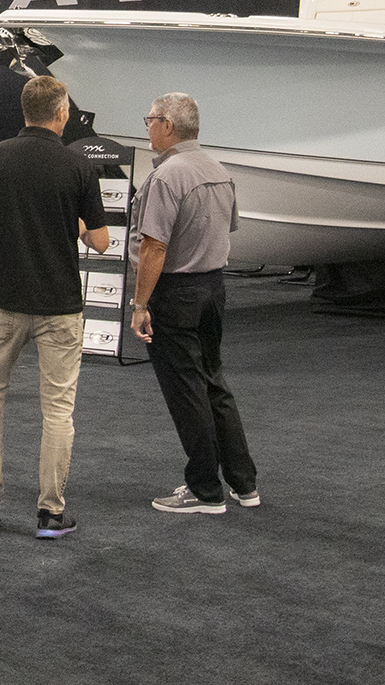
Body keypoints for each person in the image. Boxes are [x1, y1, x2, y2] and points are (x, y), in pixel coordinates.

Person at [0, 73, 109, 540]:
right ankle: (50, 513)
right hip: (60, 305)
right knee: (58, 409)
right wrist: (78, 226)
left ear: (24, 111)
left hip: (5, 300)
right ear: (61, 114)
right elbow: (101, 242)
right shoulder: (79, 166)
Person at [129, 91, 259, 515]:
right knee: (214, 382)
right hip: (213, 288)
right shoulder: (219, 170)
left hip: (177, 292)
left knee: (187, 391)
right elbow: (228, 228)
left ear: (167, 125)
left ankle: (205, 490)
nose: (146, 127)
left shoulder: (167, 177)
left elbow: (154, 248)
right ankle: (244, 483)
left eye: (149, 119)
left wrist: (140, 305)